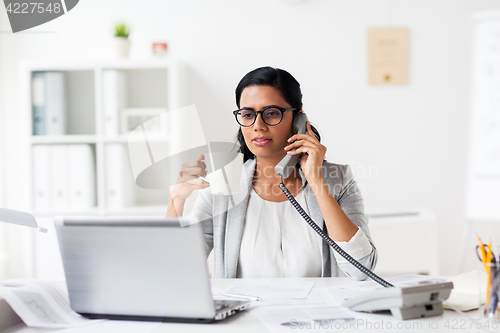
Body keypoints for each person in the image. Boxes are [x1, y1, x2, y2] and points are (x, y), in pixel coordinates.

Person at [166, 66, 377, 280]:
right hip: (247, 313)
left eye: (272, 113)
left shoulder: (338, 180)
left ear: (298, 121)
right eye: (248, 115)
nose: (258, 125)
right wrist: (176, 200)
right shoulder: (222, 186)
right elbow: (176, 270)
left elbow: (361, 270)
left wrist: (316, 180)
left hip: (314, 314)